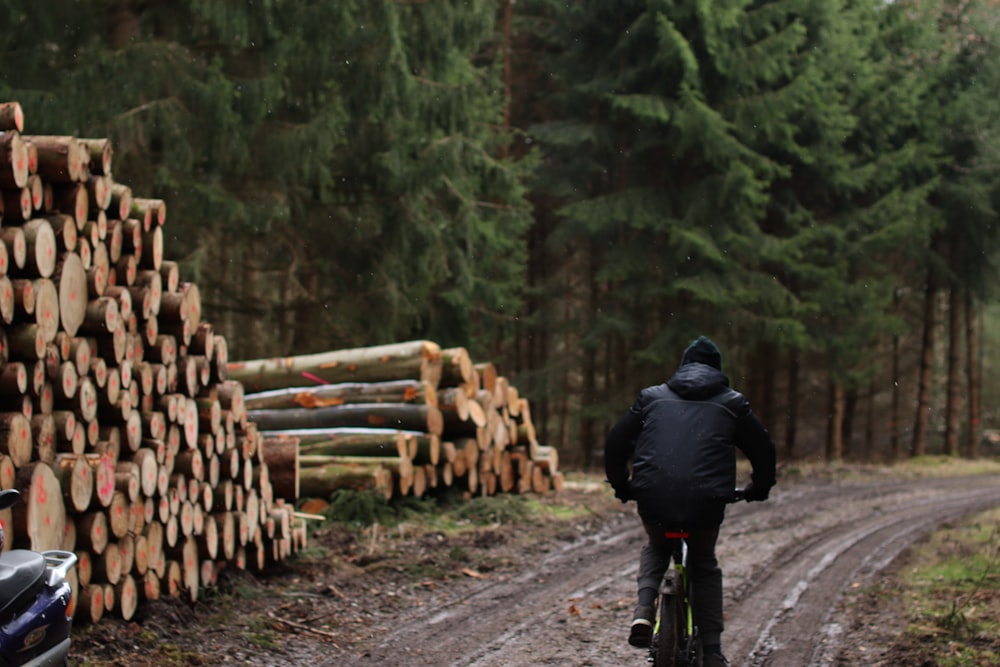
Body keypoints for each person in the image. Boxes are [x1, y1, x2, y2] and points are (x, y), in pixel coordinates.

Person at [604, 335, 776, 667]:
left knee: (656, 546)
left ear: (682, 367)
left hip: (653, 496)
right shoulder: (732, 403)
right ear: (717, 370)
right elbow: (763, 450)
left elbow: (616, 443)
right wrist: (760, 487)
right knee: (704, 562)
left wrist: (621, 485)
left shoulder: (651, 398)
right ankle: (711, 650)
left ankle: (643, 611)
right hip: (705, 502)